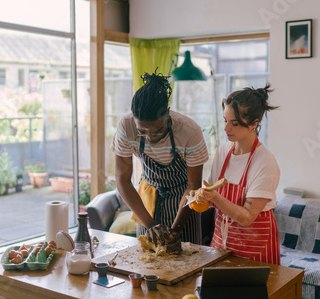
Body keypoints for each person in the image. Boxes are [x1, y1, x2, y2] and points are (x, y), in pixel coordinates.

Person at [112, 71, 208, 250]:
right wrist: (150, 224)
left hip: (183, 200)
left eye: (156, 131)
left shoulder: (189, 131)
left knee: (185, 260)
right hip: (148, 198)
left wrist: (176, 230)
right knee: (147, 261)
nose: (149, 138)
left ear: (168, 115)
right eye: (142, 131)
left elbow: (193, 185)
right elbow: (122, 181)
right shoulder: (126, 127)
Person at [194, 84, 280, 264]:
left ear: (254, 124)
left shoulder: (265, 163)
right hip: (220, 244)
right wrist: (201, 198)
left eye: (234, 123)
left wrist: (214, 197)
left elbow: (247, 217)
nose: (226, 128)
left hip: (254, 251)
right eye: (225, 120)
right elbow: (212, 197)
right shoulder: (223, 151)